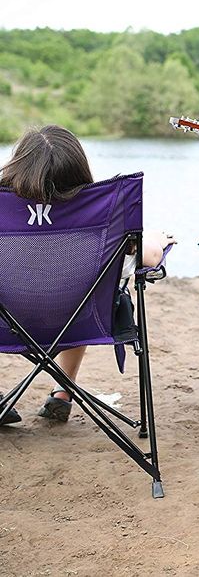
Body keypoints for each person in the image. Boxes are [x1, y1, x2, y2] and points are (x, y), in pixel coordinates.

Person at [0, 125, 175, 424]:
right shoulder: (101, 217)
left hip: (5, 323)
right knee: (84, 290)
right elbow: (151, 257)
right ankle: (63, 392)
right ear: (80, 171)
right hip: (77, 322)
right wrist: (158, 239)